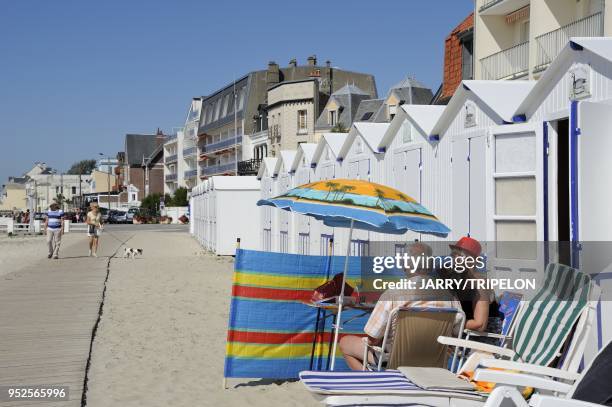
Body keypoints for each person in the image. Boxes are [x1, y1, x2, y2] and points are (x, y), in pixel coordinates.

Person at [339, 242, 463, 370]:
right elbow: (457, 334)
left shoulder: (392, 295)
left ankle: (373, 384)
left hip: (396, 360)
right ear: (430, 266)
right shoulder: (450, 296)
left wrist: (379, 340)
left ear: (405, 265)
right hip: (435, 360)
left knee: (345, 343)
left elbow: (373, 339)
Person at [446, 236, 498, 332]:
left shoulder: (480, 283)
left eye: (460, 255)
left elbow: (480, 325)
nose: (455, 258)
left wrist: (449, 323)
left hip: (481, 339)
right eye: (453, 254)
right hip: (465, 334)